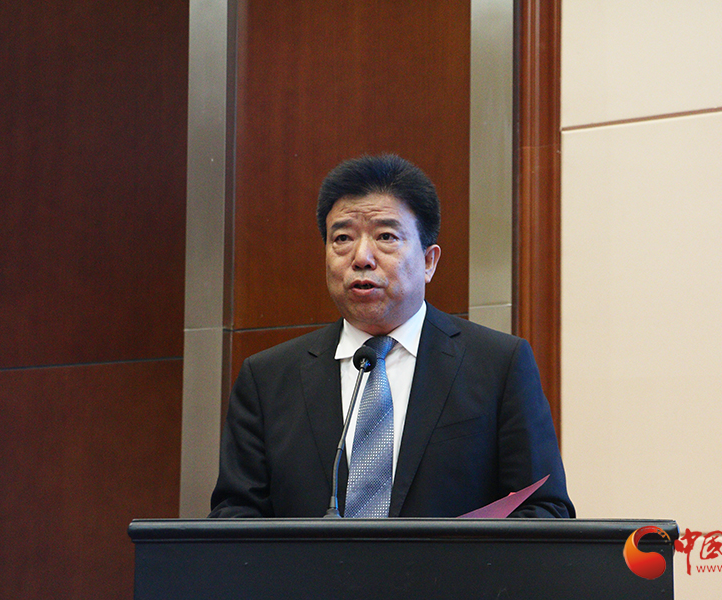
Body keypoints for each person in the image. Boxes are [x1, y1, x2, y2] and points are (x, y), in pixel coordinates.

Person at [210, 154, 574, 518]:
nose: (361, 257)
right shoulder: (268, 379)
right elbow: (235, 517)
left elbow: (546, 510)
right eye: (342, 238)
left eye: (386, 236)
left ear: (429, 261)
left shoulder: (498, 365)